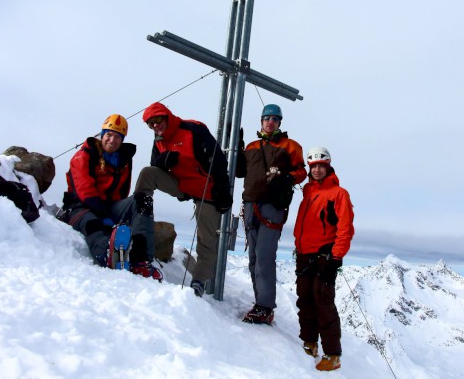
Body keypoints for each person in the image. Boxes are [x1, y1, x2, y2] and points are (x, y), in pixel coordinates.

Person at [135, 102, 233, 296]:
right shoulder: (159, 139)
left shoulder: (192, 130)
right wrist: (162, 161)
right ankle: (138, 217)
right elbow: (154, 165)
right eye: (150, 123)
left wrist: (222, 190)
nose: (155, 126)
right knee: (148, 173)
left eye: (158, 120)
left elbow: (218, 159)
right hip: (182, 185)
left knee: (206, 239)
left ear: (167, 117)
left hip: (207, 190)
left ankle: (198, 282)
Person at [63, 114, 162, 281]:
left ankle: (141, 261)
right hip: (80, 206)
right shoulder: (84, 155)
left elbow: (122, 192)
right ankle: (106, 253)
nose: (112, 139)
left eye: (117, 136)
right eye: (109, 134)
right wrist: (105, 216)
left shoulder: (123, 160)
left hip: (109, 207)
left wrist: (114, 214)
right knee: (94, 225)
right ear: (102, 134)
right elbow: (84, 190)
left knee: (142, 200)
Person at [236, 104, 307, 324]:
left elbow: (301, 172)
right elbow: (240, 172)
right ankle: (260, 303)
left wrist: (286, 178)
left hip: (272, 207)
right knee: (254, 258)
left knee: (265, 256)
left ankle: (265, 307)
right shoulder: (251, 146)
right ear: (261, 121)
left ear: (279, 123)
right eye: (267, 118)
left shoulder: (290, 146)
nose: (270, 122)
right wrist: (237, 147)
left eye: (274, 119)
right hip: (250, 204)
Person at [292, 146, 355, 371]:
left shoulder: (339, 194)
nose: (317, 170)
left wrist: (335, 257)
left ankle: (333, 354)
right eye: (314, 166)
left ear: (328, 167)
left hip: (323, 257)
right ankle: (309, 343)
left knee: (323, 303)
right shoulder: (308, 192)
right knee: (305, 299)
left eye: (321, 166)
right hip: (304, 255)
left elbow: (345, 228)